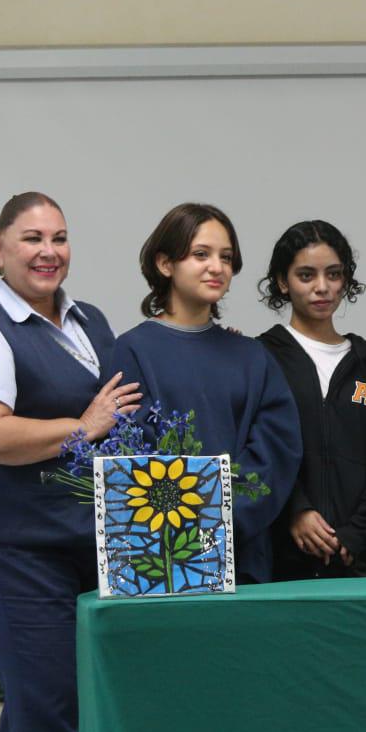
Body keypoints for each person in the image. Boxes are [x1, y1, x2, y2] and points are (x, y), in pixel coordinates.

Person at [0, 193, 140, 732]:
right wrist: (80, 429)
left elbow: (127, 400)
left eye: (59, 237)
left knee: (40, 712)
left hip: (76, 543)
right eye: (31, 238)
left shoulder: (86, 318)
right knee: (56, 713)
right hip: (10, 546)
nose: (48, 251)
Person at [111, 202, 301, 583]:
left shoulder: (252, 356)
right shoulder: (131, 351)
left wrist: (224, 522)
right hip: (157, 557)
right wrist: (185, 530)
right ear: (166, 264)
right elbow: (130, 447)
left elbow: (277, 451)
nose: (218, 267)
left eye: (226, 257)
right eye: (201, 254)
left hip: (244, 556)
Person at [257, 220, 366, 579]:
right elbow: (254, 449)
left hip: (364, 563)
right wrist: (294, 511)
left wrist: (358, 534)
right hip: (282, 564)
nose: (322, 287)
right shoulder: (260, 358)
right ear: (283, 282)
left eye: (333, 274)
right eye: (306, 275)